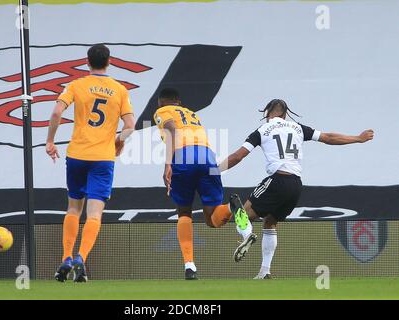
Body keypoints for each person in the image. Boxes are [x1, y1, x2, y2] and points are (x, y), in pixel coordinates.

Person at [219, 99, 374, 279]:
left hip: (277, 180)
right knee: (270, 222)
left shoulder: (262, 130)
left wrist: (214, 170)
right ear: (285, 114)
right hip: (295, 185)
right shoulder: (298, 128)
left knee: (241, 213)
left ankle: (247, 235)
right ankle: (265, 271)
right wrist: (358, 138)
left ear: (268, 114)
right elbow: (329, 138)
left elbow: (238, 156)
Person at [46, 44, 135, 282]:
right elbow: (130, 126)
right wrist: (119, 140)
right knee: (94, 214)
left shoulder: (76, 85)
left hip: (77, 155)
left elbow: (56, 113)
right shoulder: (119, 90)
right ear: (109, 61)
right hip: (102, 159)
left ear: (87, 62)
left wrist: (50, 141)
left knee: (73, 208)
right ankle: (81, 258)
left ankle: (66, 256)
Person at [154, 88, 249, 280]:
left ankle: (189, 266)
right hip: (207, 156)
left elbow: (172, 129)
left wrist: (167, 164)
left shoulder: (163, 111)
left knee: (184, 211)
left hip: (183, 156)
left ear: (160, 103)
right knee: (213, 220)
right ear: (179, 101)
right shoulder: (191, 113)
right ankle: (231, 206)